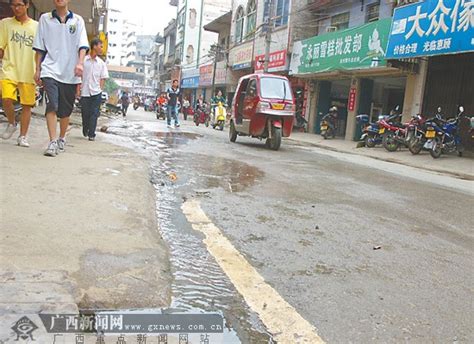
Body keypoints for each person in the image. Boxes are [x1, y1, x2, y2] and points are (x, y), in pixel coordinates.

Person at [33, 0, 89, 157]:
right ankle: (52, 142)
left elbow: (82, 45)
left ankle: (62, 138)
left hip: (70, 73)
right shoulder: (45, 19)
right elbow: (39, 47)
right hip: (50, 69)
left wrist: (80, 63)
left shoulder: (78, 21)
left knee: (65, 111)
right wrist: (37, 69)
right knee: (52, 105)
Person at [0, 0, 38, 147]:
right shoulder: (5, 23)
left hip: (29, 70)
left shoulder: (36, 26)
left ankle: (23, 136)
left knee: (27, 105)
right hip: (10, 69)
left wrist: (39, 71)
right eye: (13, 5)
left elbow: (40, 51)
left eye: (19, 5)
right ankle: (11, 122)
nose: (16, 8)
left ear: (27, 5)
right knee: (6, 98)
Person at [80, 38, 108, 141]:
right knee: (85, 113)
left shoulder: (101, 63)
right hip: (85, 91)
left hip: (96, 92)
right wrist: (78, 89)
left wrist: (100, 89)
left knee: (94, 113)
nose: (101, 49)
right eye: (100, 46)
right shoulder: (83, 60)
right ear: (94, 46)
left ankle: (92, 134)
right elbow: (79, 76)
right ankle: (85, 128)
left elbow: (103, 78)